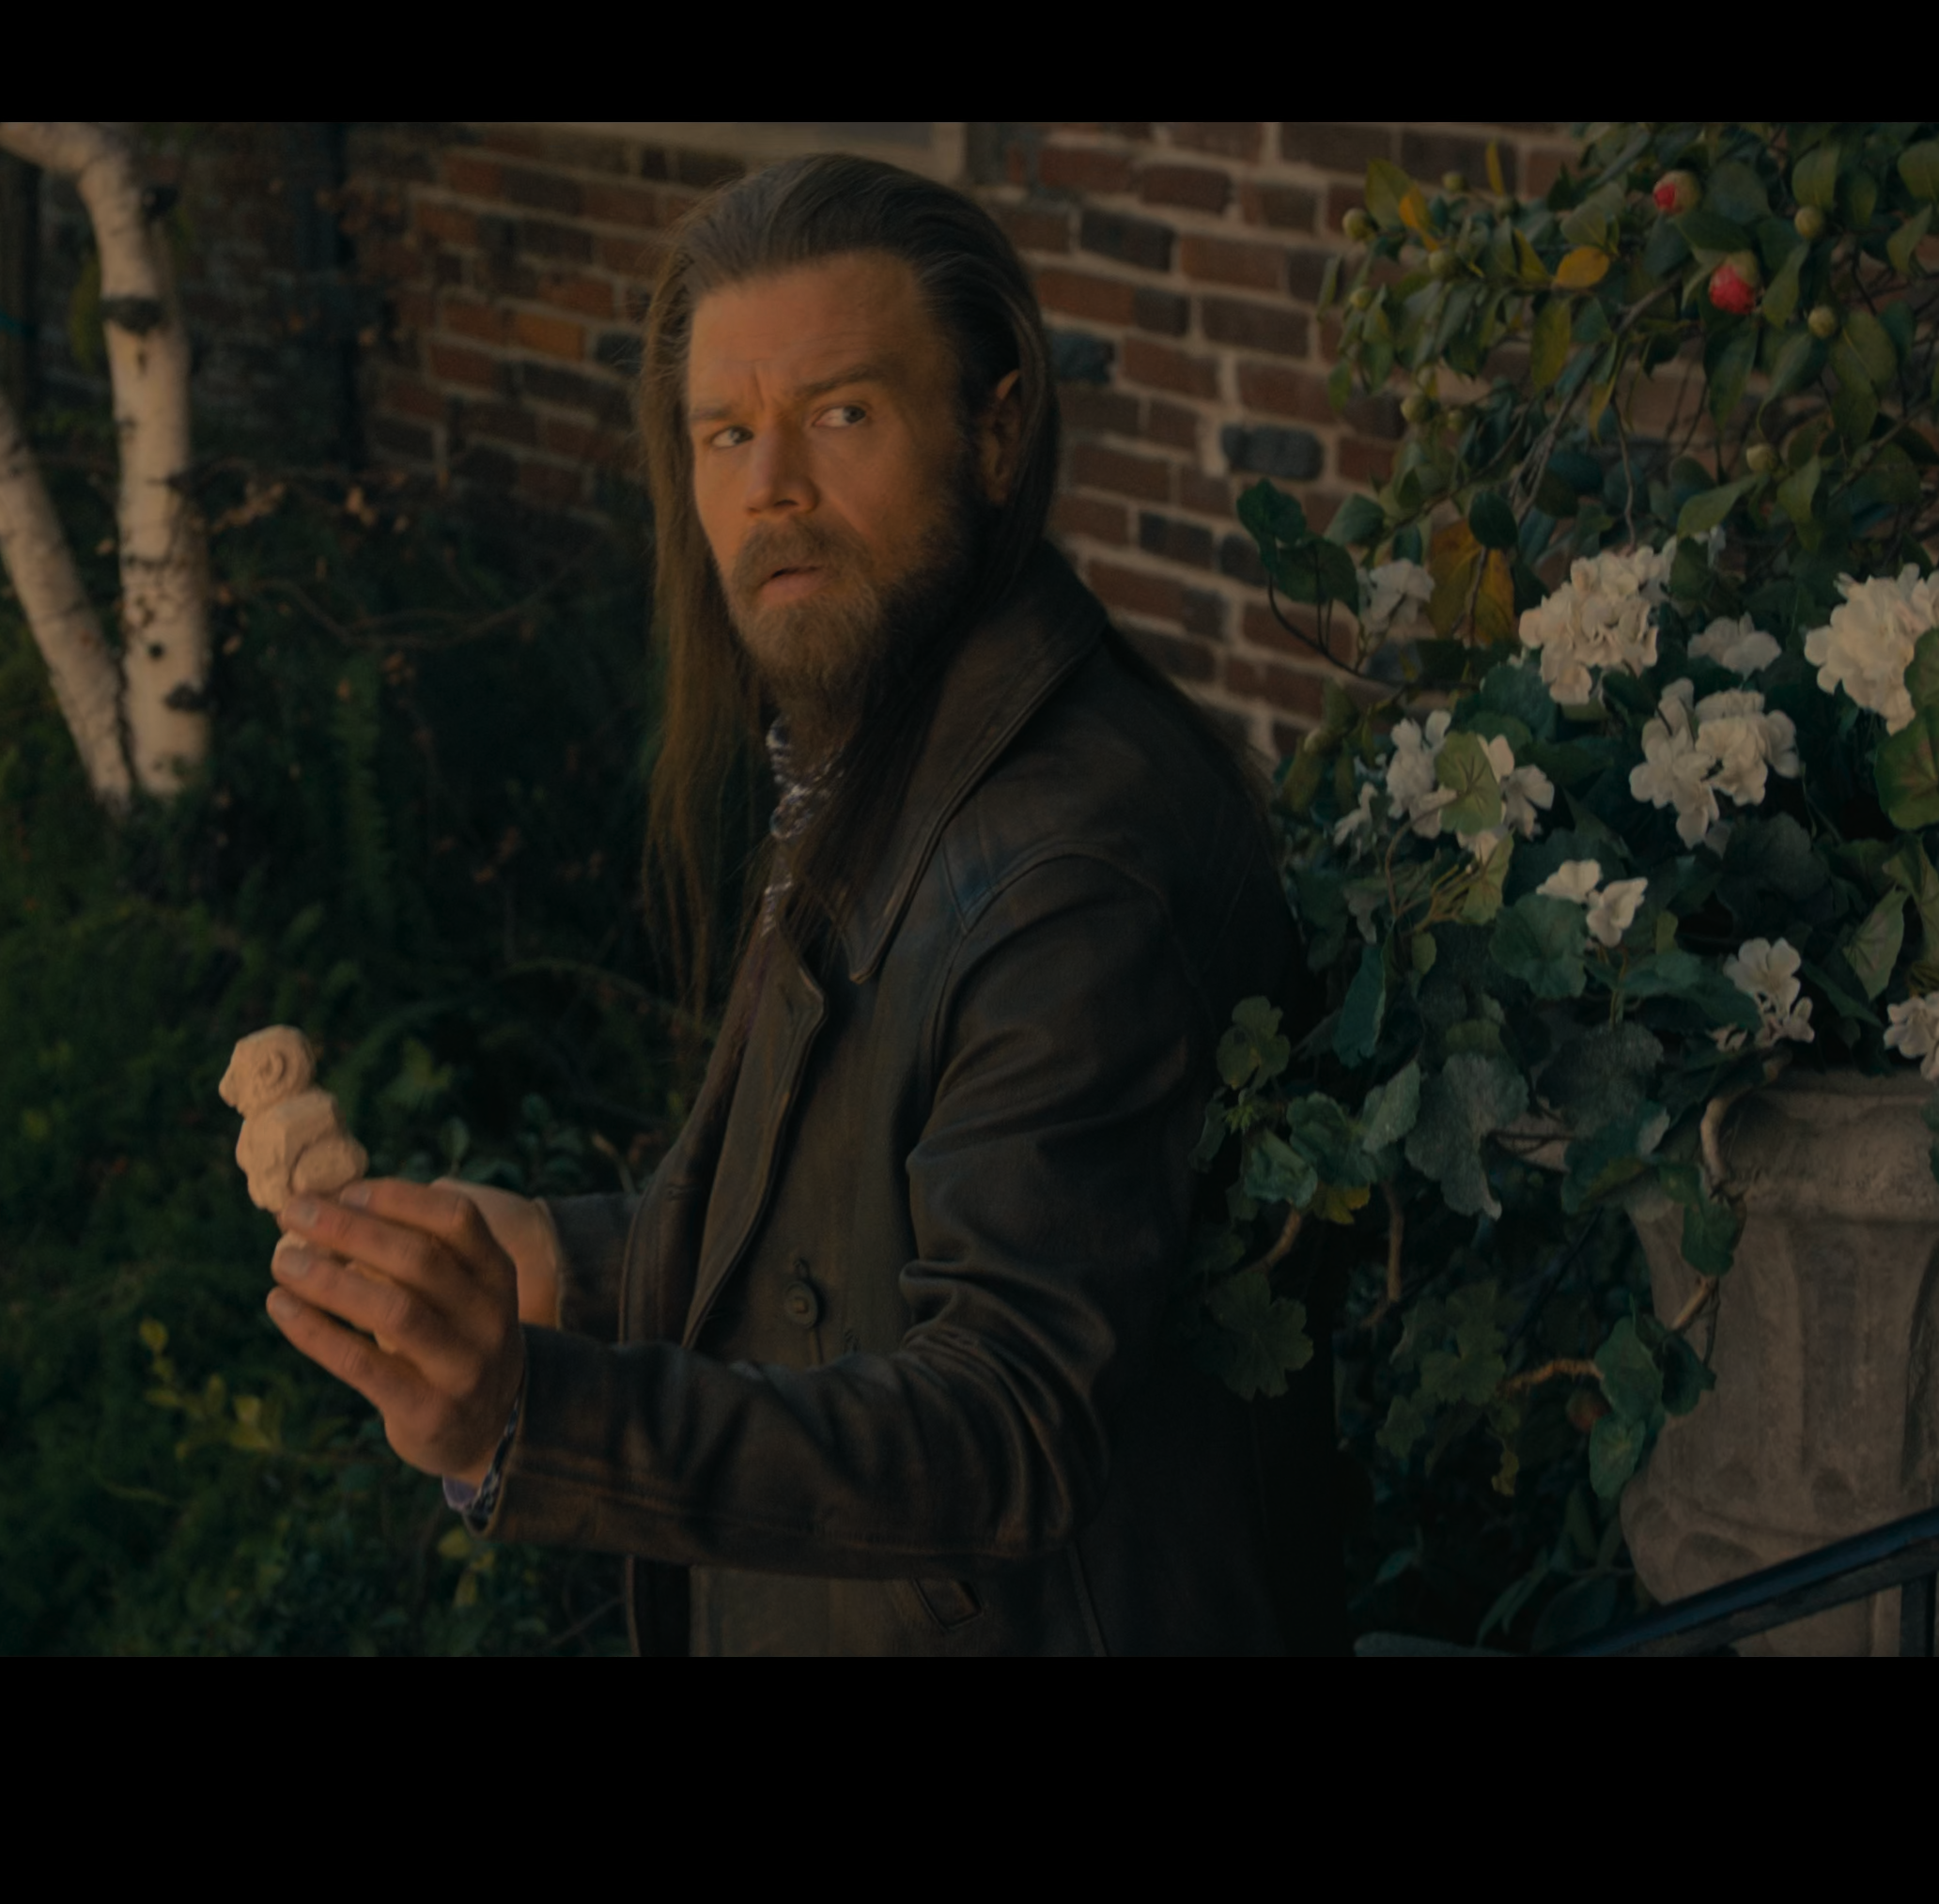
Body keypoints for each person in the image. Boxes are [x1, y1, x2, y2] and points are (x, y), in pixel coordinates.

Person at [259, 152, 1338, 1653]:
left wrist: (531, 1415)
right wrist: (562, 1262)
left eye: (841, 415)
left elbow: (1002, 1428)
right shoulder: (889, 741)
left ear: (996, 429)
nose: (770, 486)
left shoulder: (1072, 871)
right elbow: (837, 1254)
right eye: (726, 433)